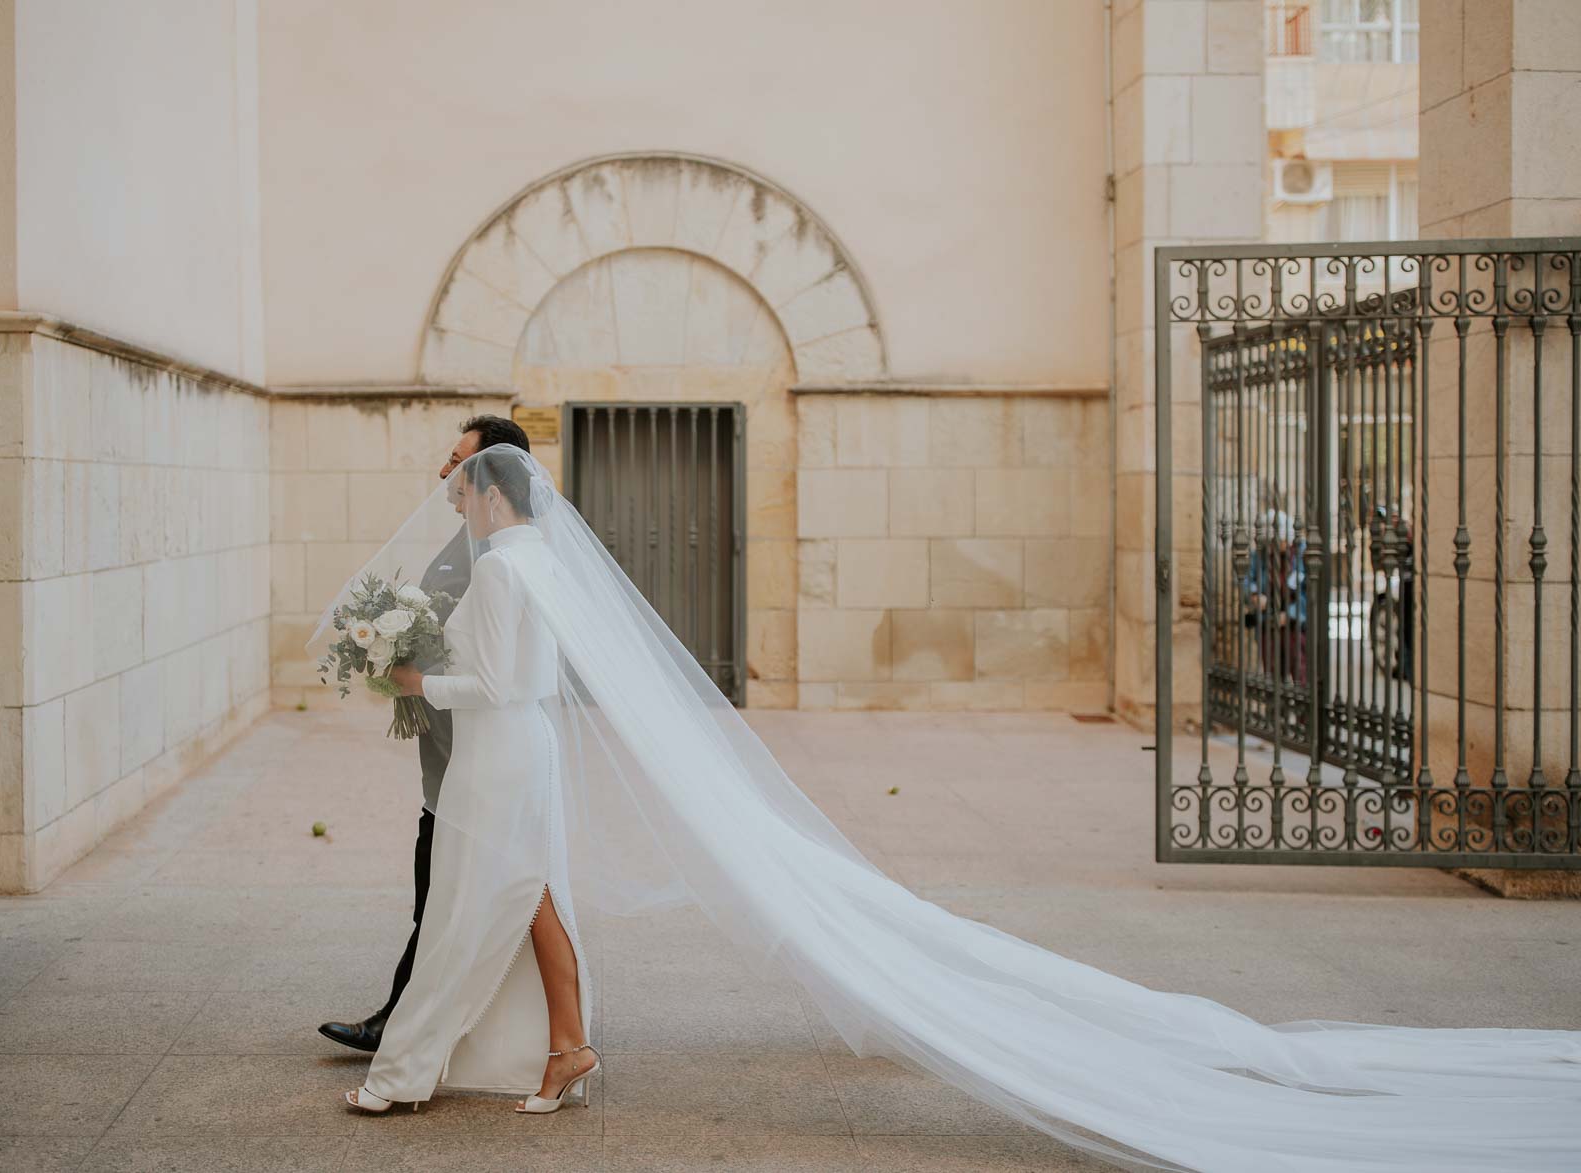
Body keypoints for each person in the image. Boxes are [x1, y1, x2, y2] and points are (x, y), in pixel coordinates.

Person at [310, 446, 1581, 1168]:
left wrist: (410, 669)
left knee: (488, 898)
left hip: (499, 742)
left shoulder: (502, 573)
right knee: (513, 895)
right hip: (515, 753)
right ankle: (552, 1048)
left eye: (464, 493)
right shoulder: (533, 562)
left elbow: (506, 680)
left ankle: (410, 1073)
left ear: (492, 500)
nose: (459, 508)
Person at [316, 415, 532, 1055]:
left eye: (457, 460)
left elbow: (497, 670)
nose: (445, 472)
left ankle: (402, 1022)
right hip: (449, 749)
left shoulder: (497, 558)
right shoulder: (474, 544)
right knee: (443, 884)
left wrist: (410, 674)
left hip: (473, 750)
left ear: (489, 474)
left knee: (446, 889)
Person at [1241, 509, 1307, 686]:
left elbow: (1311, 591)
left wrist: (1291, 614)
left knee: (1301, 674)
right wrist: (1254, 594)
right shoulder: (1260, 555)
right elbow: (1245, 579)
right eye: (1270, 542)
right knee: (1274, 676)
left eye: (1279, 541)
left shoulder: (1302, 554)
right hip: (1268, 622)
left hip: (1295, 626)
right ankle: (1277, 713)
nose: (1275, 546)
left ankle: (1303, 714)